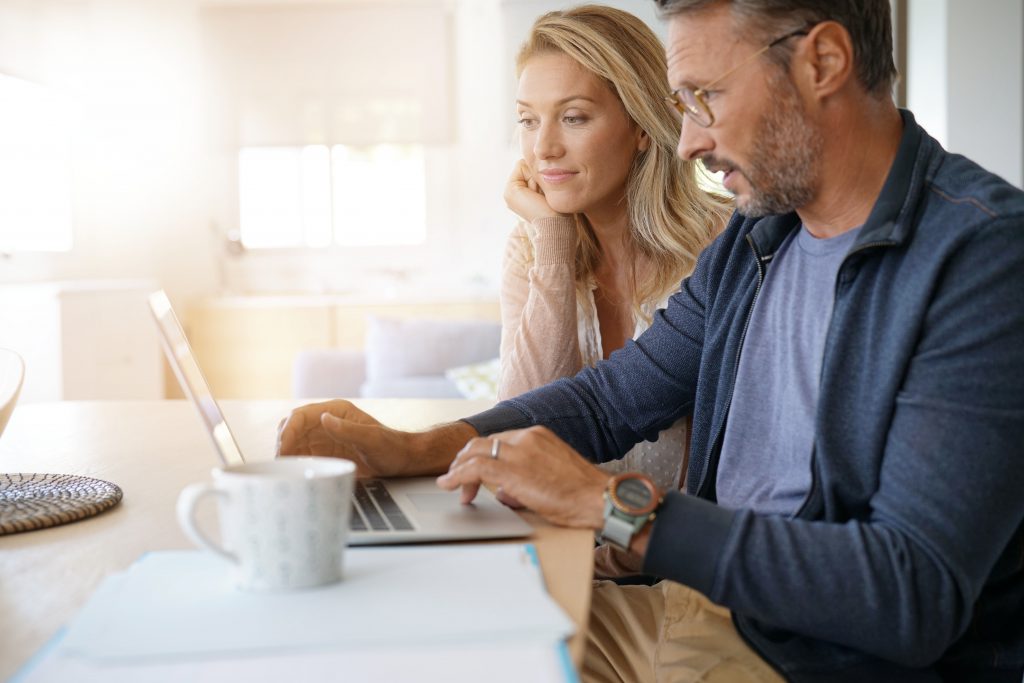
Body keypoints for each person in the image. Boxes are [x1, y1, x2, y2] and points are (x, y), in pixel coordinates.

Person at [279, 0, 1024, 681]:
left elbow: (909, 593)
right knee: (393, 640)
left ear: (822, 62)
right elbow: (612, 398)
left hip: (818, 659)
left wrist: (611, 503)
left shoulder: (983, 260)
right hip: (703, 607)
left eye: (706, 95)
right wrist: (416, 447)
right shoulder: (760, 237)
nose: (690, 139)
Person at [499, 6, 731, 496]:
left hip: (688, 559)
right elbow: (521, 437)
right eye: (527, 119)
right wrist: (553, 242)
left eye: (574, 117)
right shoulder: (531, 247)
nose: (543, 148)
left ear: (642, 126)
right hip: (568, 548)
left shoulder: (725, 242)